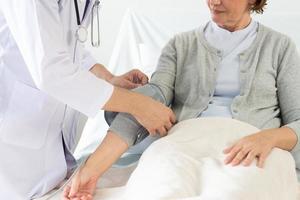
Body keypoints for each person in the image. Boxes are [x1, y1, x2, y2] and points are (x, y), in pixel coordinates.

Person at [63, 0, 300, 199]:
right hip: (182, 142)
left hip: (252, 147)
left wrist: (268, 138)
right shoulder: (180, 45)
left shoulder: (280, 47)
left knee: (235, 192)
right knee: (161, 189)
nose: (214, 2)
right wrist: (91, 170)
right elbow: (146, 105)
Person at [0, 0, 176, 199]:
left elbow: (67, 47)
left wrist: (109, 79)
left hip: (54, 162)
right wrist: (139, 105)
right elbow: (51, 70)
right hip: (12, 152)